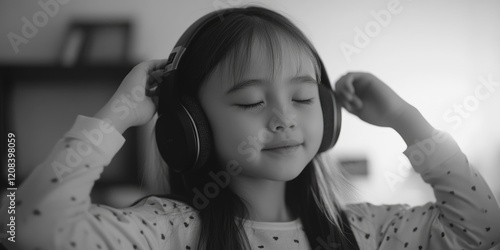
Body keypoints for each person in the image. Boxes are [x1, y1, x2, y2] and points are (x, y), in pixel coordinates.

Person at [1, 5, 499, 250]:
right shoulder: (170, 232)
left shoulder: (366, 231)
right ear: (188, 125)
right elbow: (27, 224)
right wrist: (118, 114)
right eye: (251, 101)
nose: (284, 117)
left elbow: (483, 232)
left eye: (303, 97)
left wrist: (403, 119)